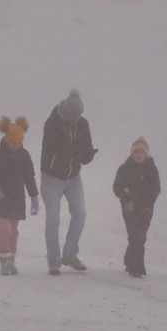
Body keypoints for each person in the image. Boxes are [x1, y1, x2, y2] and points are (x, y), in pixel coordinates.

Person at [40, 88, 97, 275]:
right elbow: (61, 148)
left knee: (80, 214)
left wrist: (88, 155)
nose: (76, 118)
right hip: (52, 177)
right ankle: (54, 261)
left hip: (74, 177)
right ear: (66, 111)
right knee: (53, 220)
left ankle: (70, 255)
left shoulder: (83, 124)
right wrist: (79, 151)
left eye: (79, 115)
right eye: (73, 114)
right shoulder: (52, 123)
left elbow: (83, 150)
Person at [0, 116, 40, 276]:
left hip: (17, 200)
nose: (17, 146)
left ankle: (11, 260)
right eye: (14, 143)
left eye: (19, 143)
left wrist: (34, 196)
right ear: (7, 140)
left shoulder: (24, 156)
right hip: (0, 199)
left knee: (13, 231)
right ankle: (4, 261)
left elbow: (29, 178)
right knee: (4, 230)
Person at [113, 136, 161, 278]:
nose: (139, 155)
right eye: (136, 152)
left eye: (142, 152)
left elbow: (155, 189)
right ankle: (137, 267)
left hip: (146, 208)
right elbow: (116, 186)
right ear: (132, 153)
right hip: (129, 207)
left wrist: (148, 205)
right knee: (135, 235)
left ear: (146, 154)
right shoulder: (124, 168)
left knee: (140, 236)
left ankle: (129, 261)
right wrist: (124, 195)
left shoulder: (151, 169)